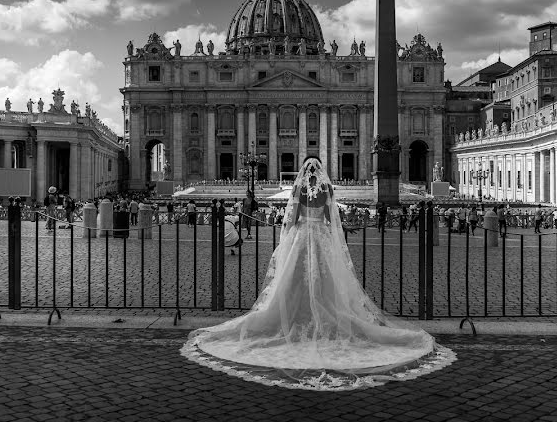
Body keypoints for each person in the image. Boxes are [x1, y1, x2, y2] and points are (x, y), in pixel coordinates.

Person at [182, 158, 455, 390]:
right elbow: (330, 220)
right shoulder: (326, 191)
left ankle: (296, 313)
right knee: (326, 278)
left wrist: (285, 239)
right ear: (321, 173)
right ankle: (325, 313)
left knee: (294, 278)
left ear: (303, 174)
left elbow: (291, 220)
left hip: (302, 237)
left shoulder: (300, 191)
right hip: (322, 238)